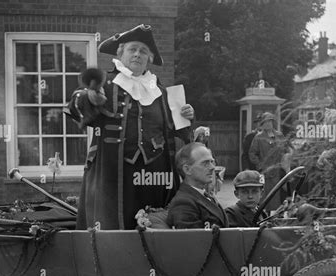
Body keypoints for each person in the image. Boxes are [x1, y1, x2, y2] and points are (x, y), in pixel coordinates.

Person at [68, 25, 194, 229]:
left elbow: (182, 131)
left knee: (153, 226)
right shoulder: (105, 84)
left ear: (149, 58)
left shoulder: (161, 92)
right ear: (121, 53)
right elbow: (75, 105)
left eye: (143, 51)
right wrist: (89, 97)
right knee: (113, 231)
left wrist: (188, 115)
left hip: (155, 176)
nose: (137, 54)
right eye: (132, 49)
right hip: (112, 176)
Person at [166, 143, 228, 229]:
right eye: (205, 163)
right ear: (187, 169)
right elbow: (194, 240)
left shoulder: (204, 195)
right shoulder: (184, 203)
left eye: (212, 162)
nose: (212, 167)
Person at [248, 112, 286, 212]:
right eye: (266, 122)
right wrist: (260, 165)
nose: (268, 124)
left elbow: (286, 150)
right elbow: (252, 153)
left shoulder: (279, 135)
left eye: (270, 121)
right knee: (264, 196)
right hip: (264, 172)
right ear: (263, 124)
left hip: (278, 171)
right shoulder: (258, 137)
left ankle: (274, 218)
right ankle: (262, 217)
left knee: (277, 197)